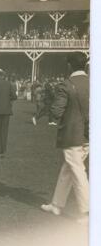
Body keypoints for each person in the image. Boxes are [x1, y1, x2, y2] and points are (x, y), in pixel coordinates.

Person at [41, 53, 89, 223]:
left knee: (76, 171)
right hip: (88, 133)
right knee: (68, 169)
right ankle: (57, 205)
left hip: (73, 134)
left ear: (69, 65)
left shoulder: (67, 85)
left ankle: (87, 211)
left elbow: (56, 111)